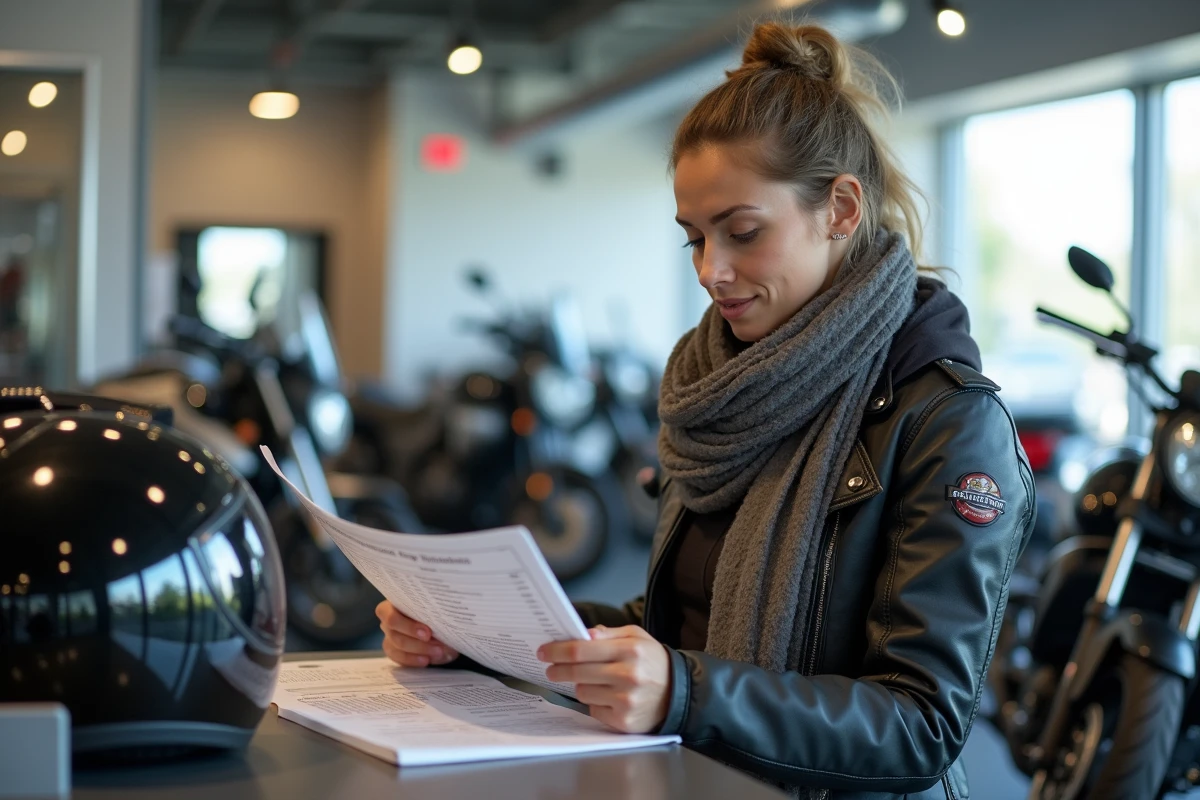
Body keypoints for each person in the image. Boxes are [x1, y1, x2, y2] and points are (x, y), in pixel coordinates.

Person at [377, 20, 1035, 800]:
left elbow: (921, 725)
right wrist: (475, 632)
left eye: (742, 232)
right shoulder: (716, 390)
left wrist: (686, 692)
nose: (711, 271)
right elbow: (680, 623)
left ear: (841, 208)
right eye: (694, 238)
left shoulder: (946, 423)